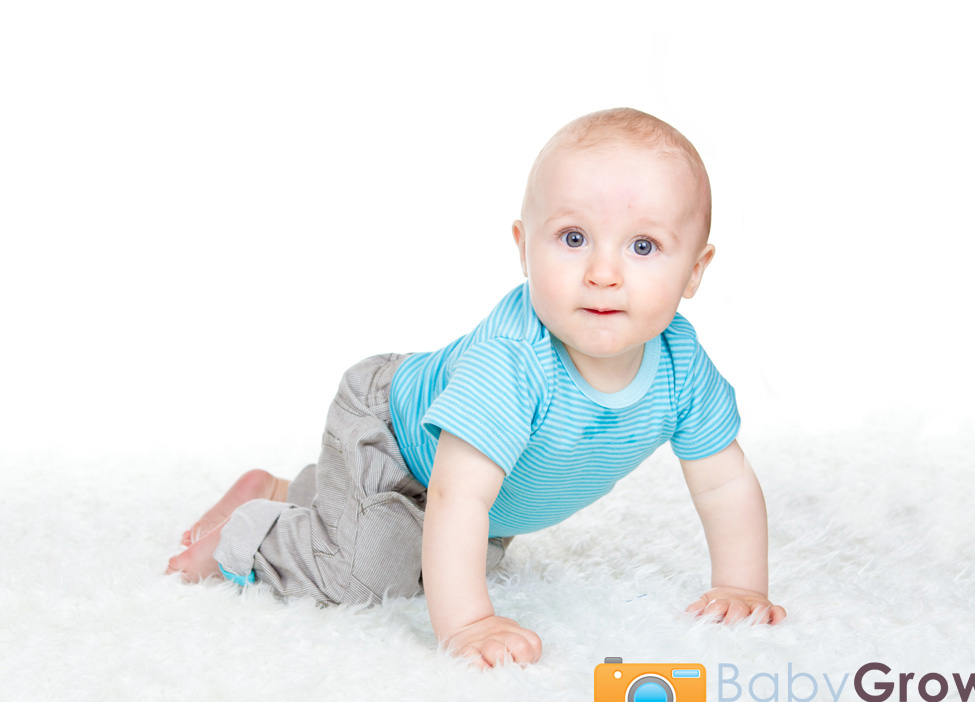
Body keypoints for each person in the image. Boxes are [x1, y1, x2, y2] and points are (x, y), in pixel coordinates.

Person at [167, 107, 787, 668]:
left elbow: (724, 480)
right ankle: (246, 533)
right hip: (390, 432)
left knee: (448, 557)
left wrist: (741, 585)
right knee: (366, 574)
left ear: (696, 271)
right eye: (573, 239)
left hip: (470, 480)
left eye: (644, 246)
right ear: (523, 248)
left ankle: (292, 490)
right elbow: (458, 499)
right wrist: (468, 624)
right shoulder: (514, 364)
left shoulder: (681, 366)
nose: (603, 273)